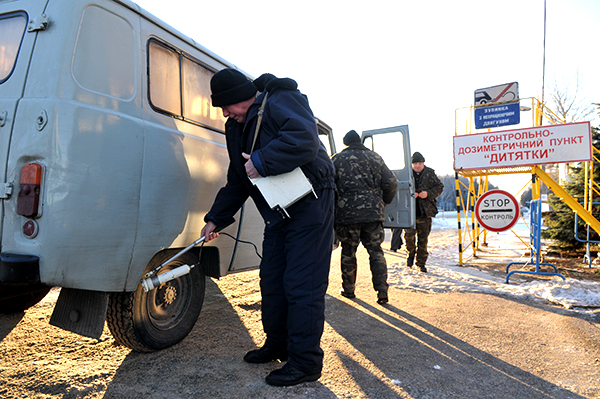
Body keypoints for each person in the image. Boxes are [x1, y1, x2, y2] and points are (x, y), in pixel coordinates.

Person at [200, 69, 335, 387]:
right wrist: (215, 218)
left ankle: (305, 362)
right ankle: (279, 345)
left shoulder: (281, 100)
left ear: (239, 97)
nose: (225, 114)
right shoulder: (235, 127)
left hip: (310, 201)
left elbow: (304, 141)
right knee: (272, 280)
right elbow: (239, 177)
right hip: (277, 208)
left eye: (226, 106)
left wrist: (261, 161)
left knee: (303, 284)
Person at [332, 130, 398, 305]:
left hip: (347, 215)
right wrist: (384, 201)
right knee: (376, 252)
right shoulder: (375, 157)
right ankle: (382, 291)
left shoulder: (337, 159)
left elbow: (329, 185)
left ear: (345, 143)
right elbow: (391, 182)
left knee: (348, 252)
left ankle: (348, 290)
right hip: (372, 214)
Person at [404, 152, 444, 273]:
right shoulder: (406, 174)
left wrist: (427, 194)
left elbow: (439, 187)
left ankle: (421, 263)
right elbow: (399, 189)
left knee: (423, 240)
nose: (417, 166)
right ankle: (410, 254)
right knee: (409, 237)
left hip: (424, 212)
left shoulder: (429, 173)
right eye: (415, 163)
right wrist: (410, 194)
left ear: (423, 163)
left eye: (419, 163)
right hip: (409, 213)